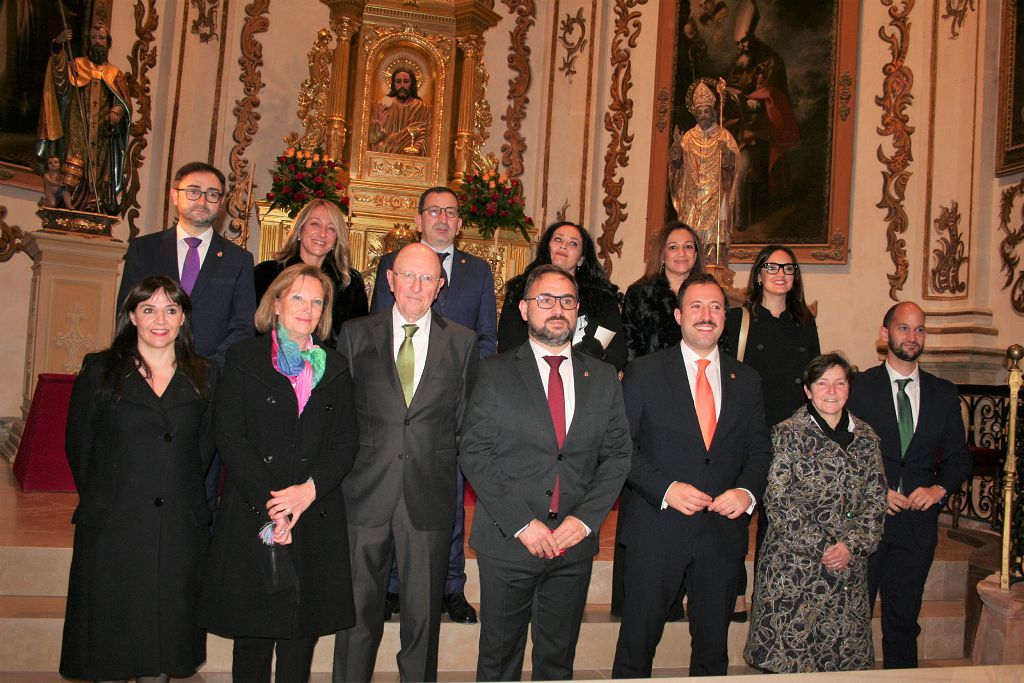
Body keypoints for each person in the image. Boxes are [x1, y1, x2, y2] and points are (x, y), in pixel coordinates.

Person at [461, 264, 632, 681]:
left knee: (557, 664)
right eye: (545, 300)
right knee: (499, 662)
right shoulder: (493, 372)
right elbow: (475, 452)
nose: (557, 309)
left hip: (572, 543)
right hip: (509, 541)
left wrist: (584, 520)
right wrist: (523, 524)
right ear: (524, 309)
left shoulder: (604, 377)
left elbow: (617, 456)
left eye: (567, 301)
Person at [199, 263, 359, 683]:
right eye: (298, 298)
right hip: (256, 508)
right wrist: (275, 505)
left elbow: (346, 442)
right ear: (276, 303)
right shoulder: (243, 358)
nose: (307, 308)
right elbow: (229, 435)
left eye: (317, 301)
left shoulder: (337, 366)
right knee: (252, 636)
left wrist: (307, 492)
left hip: (313, 513)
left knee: (299, 637)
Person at [612, 273, 771, 678]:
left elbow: (758, 450)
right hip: (656, 530)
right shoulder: (643, 372)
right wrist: (666, 489)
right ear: (679, 315)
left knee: (712, 653)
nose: (706, 315)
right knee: (636, 647)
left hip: (721, 534)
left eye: (716, 307)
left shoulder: (748, 380)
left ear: (725, 319)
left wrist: (746, 493)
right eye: (697, 306)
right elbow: (622, 448)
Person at [333, 243, 479, 682]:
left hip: (428, 497)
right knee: (357, 616)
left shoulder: (464, 341)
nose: (417, 286)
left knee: (422, 619)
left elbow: (463, 422)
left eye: (427, 278)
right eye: (408, 276)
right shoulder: (356, 334)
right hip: (365, 495)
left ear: (440, 287)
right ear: (390, 280)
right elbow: (341, 416)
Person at [60, 276, 216, 682]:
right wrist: (112, 495)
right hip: (113, 528)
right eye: (148, 309)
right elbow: (80, 446)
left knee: (160, 648)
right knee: (110, 648)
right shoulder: (100, 370)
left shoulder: (206, 375)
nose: (159, 320)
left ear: (183, 318)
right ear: (132, 316)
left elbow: (203, 451)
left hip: (177, 529)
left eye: (170, 309)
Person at [372, 186, 496, 623]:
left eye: (451, 212)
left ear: (460, 223)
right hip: (399, 404)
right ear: (419, 218)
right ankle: (390, 587)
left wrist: (461, 388)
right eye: (434, 211)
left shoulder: (478, 271)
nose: (442, 218)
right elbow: (377, 334)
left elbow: (486, 338)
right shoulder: (393, 265)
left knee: (449, 501)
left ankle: (451, 589)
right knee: (391, 495)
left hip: (452, 407)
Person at [744, 353, 887, 673]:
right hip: (794, 568)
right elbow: (779, 501)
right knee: (791, 658)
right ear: (808, 390)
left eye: (839, 382)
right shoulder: (786, 434)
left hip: (846, 569)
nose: (832, 391)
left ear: (849, 388)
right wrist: (822, 547)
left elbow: (876, 500)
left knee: (839, 660)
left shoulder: (867, 437)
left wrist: (851, 545)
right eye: (822, 383)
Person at [846, 302, 972, 669]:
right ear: (885, 334)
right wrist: (873, 490)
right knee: (853, 623)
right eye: (904, 328)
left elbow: (959, 459)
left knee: (903, 624)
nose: (912, 337)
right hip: (864, 525)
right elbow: (841, 455)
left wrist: (937, 491)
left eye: (919, 329)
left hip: (917, 527)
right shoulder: (858, 388)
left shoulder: (943, 393)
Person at [721, 243, 820, 619]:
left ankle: (768, 592)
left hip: (790, 434)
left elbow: (813, 376)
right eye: (773, 267)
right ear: (759, 273)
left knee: (776, 522)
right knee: (737, 518)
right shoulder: (739, 319)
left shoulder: (805, 323)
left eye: (788, 268)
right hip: (749, 430)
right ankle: (736, 592)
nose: (781, 274)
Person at [118, 161, 256, 368]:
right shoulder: (144, 249)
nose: (202, 201)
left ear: (221, 202)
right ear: (175, 195)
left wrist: (209, 369)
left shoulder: (238, 260)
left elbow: (243, 326)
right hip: (147, 370)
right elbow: (127, 312)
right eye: (193, 192)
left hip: (211, 375)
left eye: (212, 194)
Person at [498, 221, 626, 372]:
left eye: (573, 243)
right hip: (527, 375)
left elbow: (617, 356)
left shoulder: (602, 299)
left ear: (581, 259)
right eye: (558, 239)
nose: (563, 245)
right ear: (547, 248)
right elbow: (508, 345)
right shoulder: (521, 290)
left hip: (585, 379)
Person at [37, 22, 131, 215]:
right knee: (74, 165)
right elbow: (59, 77)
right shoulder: (76, 64)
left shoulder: (115, 73)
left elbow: (124, 102)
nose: (98, 41)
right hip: (77, 127)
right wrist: (58, 45)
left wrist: (116, 111)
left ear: (108, 43)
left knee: (99, 170)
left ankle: (94, 204)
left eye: (102, 38)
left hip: (103, 135)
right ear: (89, 42)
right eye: (94, 37)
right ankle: (69, 204)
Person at [254, 198, 368, 348]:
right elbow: (254, 328)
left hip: (331, 366)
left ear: (336, 239)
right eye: (315, 224)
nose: (322, 233)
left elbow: (359, 339)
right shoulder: (266, 274)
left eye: (331, 228)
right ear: (300, 229)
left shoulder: (350, 282)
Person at [669, 80, 739, 265]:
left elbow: (734, 167)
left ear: (713, 112)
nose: (703, 116)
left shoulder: (724, 136)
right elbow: (676, 165)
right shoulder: (689, 137)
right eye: (699, 112)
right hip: (692, 197)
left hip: (715, 195)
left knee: (714, 238)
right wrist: (677, 145)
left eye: (706, 111)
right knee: (690, 236)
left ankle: (714, 265)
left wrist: (727, 155)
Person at [621, 221, 706, 364]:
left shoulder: (708, 295)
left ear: (696, 254)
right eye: (673, 247)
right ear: (662, 254)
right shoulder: (639, 294)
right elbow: (629, 350)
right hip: (651, 378)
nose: (682, 253)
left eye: (688, 247)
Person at [368, 68, 431, 155]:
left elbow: (425, 136)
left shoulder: (422, 107)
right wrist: (381, 122)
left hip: (411, 158)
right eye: (398, 81)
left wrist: (416, 148)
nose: (402, 85)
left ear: (412, 84)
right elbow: (372, 139)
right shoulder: (382, 105)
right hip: (384, 157)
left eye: (406, 81)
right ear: (393, 84)